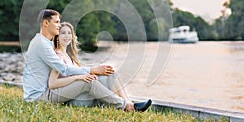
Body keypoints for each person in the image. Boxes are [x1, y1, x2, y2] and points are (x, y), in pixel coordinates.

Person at [23, 9, 151, 112]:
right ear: (46, 23)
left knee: (105, 74)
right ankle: (126, 106)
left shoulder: (46, 44)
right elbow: (63, 69)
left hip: (48, 92)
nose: (58, 25)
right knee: (88, 82)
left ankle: (129, 102)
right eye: (56, 22)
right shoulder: (42, 45)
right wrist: (90, 71)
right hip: (40, 97)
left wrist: (90, 73)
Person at [49, 22, 138, 108]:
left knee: (110, 72)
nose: (67, 36)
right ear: (57, 36)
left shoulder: (69, 56)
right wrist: (77, 78)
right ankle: (126, 104)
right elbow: (52, 84)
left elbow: (79, 74)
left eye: (69, 33)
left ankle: (128, 101)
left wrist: (91, 75)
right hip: (74, 99)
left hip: (81, 93)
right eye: (63, 33)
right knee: (104, 79)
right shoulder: (58, 57)